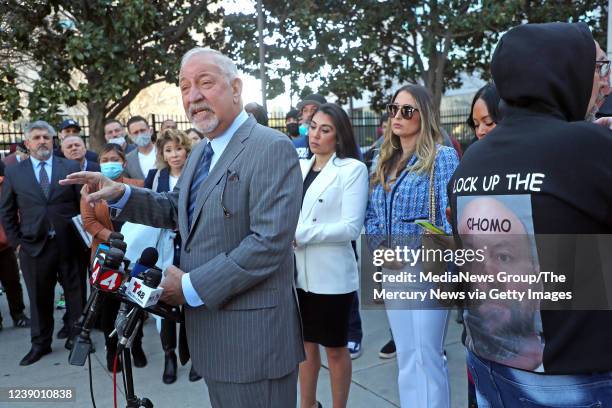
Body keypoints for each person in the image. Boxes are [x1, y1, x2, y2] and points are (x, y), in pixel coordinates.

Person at [62, 47, 304, 407]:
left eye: (205, 83)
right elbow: (179, 209)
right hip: (213, 336)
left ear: (236, 88)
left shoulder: (270, 147)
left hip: (254, 343)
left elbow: (268, 244)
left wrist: (189, 286)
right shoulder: (204, 152)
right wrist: (123, 195)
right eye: (184, 86)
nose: (193, 96)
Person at [449, 22, 612, 407]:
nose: (605, 84)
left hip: (491, 371)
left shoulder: (473, 158)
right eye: (598, 67)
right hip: (578, 382)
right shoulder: (589, 148)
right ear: (563, 70)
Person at [365, 84, 459, 407]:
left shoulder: (441, 157)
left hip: (426, 269)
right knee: (406, 357)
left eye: (407, 110)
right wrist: (381, 249)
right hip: (391, 269)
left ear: (425, 116)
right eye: (394, 109)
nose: (398, 116)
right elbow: (371, 212)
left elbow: (449, 217)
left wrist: (410, 252)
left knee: (427, 356)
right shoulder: (382, 159)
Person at [294, 103, 368, 408]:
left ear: (338, 137)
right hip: (298, 275)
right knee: (305, 347)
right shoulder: (298, 166)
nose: (315, 134)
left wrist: (300, 235)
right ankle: (308, 404)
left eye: (325, 130)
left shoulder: (351, 169)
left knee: (335, 350)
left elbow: (350, 227)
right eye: (313, 126)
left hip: (333, 277)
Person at [0, 120, 84, 365]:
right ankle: (40, 344)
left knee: (76, 295)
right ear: (27, 143)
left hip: (70, 244)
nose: (42, 141)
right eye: (36, 138)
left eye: (46, 137)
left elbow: (81, 205)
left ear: (53, 140)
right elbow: (6, 211)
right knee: (38, 298)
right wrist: (17, 243)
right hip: (33, 247)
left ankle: (77, 339)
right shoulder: (14, 172)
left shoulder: (69, 166)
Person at [80, 143, 146, 371]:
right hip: (106, 257)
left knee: (134, 305)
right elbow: (89, 222)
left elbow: (147, 214)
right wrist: (115, 236)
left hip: (134, 256)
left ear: (124, 163)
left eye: (114, 159)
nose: (109, 163)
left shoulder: (138, 186)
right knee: (108, 309)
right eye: (105, 159)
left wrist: (129, 238)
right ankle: (112, 352)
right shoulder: (90, 190)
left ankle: (136, 345)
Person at [143, 128, 201, 383]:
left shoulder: (199, 174)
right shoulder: (156, 176)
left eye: (179, 149)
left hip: (192, 247)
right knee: (164, 300)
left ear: (187, 150)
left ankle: (194, 356)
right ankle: (169, 355)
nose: (175, 155)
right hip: (164, 249)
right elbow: (147, 208)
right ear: (162, 155)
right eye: (169, 150)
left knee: (191, 301)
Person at [0, 159, 30, 331]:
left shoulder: (5, 184)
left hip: (5, 245)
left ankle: (18, 314)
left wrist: (14, 240)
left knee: (11, 281)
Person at [294, 93, 328, 159]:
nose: (309, 114)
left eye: (314, 110)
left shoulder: (337, 144)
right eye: (305, 110)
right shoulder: (295, 144)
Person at [124, 116, 157, 180]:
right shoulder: (127, 160)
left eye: (142, 130)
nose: (140, 134)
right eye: (136, 132)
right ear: (130, 136)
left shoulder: (164, 152)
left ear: (150, 131)